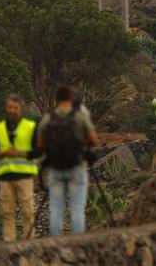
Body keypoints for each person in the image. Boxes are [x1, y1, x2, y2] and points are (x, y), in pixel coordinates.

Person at [37, 86, 99, 236]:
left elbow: (39, 145)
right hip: (76, 168)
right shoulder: (79, 116)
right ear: (71, 99)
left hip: (55, 169)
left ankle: (55, 245)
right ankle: (78, 244)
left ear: (56, 100)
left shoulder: (48, 118)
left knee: (56, 209)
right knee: (77, 208)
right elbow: (94, 140)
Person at [0, 94, 40, 241]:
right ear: (6, 108)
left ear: (21, 109)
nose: (12, 110)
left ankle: (29, 240)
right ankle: (9, 241)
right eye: (10, 107)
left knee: (28, 211)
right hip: (5, 176)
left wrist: (21, 153)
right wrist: (5, 153)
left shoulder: (30, 127)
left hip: (24, 175)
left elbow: (37, 150)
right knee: (7, 211)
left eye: (15, 107)